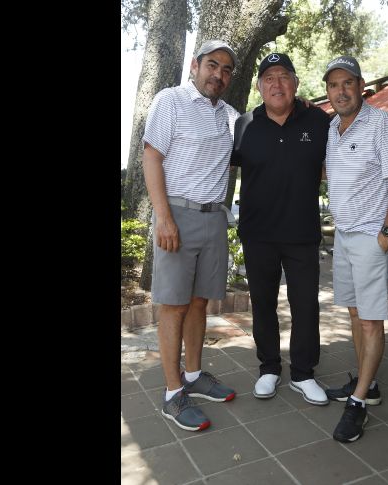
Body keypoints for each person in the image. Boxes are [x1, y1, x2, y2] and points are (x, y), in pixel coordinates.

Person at [141, 40, 240, 432]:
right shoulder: (171, 101)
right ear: (195, 66)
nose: (218, 74)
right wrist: (163, 217)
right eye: (212, 65)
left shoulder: (231, 116)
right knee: (174, 306)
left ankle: (195, 375)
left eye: (226, 69)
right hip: (176, 215)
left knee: (199, 303)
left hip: (214, 218)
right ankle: (171, 393)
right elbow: (151, 156)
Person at [322, 55, 388, 442]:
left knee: (369, 321)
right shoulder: (331, 127)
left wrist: (386, 234)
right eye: (334, 85)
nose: (341, 91)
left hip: (372, 238)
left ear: (361, 86)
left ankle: (358, 403)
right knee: (355, 313)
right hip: (343, 236)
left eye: (348, 83)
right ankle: (368, 382)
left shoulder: (381, 123)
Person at [231, 53, 331, 405]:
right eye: (269, 77)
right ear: (259, 86)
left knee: (306, 305)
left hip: (302, 233)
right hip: (257, 233)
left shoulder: (319, 121)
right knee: (263, 304)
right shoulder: (243, 125)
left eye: (284, 76)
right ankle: (269, 368)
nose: (276, 83)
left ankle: (303, 373)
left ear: (295, 84)